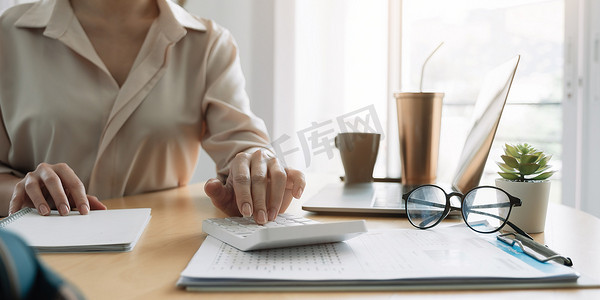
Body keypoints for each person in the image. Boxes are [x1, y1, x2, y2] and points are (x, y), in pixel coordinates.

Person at [0, 0, 305, 224]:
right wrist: (25, 191)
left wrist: (256, 171)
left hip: (155, 256)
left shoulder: (209, 43)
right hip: (37, 251)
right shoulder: (9, 35)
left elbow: (244, 147)